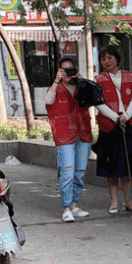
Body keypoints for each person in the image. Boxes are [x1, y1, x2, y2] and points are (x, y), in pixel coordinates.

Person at [94, 45, 132, 214]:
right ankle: (114, 202)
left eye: (109, 57)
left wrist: (126, 116)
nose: (106, 61)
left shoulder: (129, 76)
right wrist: (115, 117)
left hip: (127, 124)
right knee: (111, 167)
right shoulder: (99, 79)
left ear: (117, 58)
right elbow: (99, 103)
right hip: (108, 126)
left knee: (129, 166)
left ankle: (129, 200)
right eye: (103, 59)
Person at [45, 56, 94, 222]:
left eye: (71, 70)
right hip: (64, 134)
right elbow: (48, 101)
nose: (69, 74)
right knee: (67, 171)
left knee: (80, 172)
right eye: (65, 70)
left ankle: (74, 205)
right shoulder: (55, 88)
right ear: (59, 72)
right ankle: (66, 208)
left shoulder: (80, 87)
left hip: (83, 133)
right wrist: (56, 81)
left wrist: (82, 82)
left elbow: (92, 100)